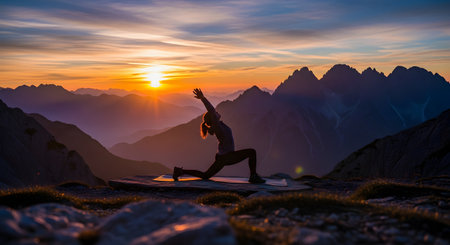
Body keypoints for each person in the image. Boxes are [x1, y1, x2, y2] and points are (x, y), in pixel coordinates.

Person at [172, 88, 266, 184]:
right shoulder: (216, 126)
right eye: (214, 114)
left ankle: (180, 171)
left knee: (206, 175)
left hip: (223, 156)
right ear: (213, 118)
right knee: (251, 152)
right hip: (227, 156)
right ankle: (253, 176)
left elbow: (213, 113)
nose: (217, 112)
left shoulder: (218, 126)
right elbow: (211, 110)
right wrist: (202, 98)